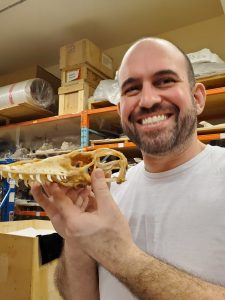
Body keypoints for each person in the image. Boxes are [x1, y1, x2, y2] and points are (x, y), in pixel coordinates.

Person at [31, 37, 225, 300]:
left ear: (197, 98)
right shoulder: (109, 192)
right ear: (121, 110)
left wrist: (121, 256)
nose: (147, 100)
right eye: (132, 89)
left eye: (165, 81)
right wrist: (76, 238)